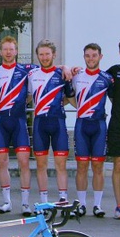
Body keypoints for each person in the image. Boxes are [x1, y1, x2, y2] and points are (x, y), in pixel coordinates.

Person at [68, 43, 113, 218]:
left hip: (99, 126)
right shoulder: (76, 76)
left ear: (100, 57)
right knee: (81, 166)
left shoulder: (107, 78)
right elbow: (68, 96)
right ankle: (82, 204)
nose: (91, 59)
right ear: (84, 57)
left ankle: (97, 205)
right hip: (82, 125)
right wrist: (80, 107)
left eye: (94, 55)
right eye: (87, 55)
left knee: (98, 166)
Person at [28, 40, 73, 205]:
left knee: (61, 164)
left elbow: (69, 97)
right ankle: (44, 200)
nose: (45, 57)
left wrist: (65, 67)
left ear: (54, 55)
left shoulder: (62, 74)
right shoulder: (32, 74)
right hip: (40, 124)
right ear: (37, 56)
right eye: (41, 54)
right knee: (41, 164)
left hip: (58, 123)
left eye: (47, 54)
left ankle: (63, 198)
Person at [0, 36, 34, 215]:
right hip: (1, 120)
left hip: (19, 121)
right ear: (0, 52)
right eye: (5, 49)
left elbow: (31, 94)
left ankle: (25, 204)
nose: (8, 52)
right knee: (2, 162)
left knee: (24, 162)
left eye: (11, 49)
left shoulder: (27, 71)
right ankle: (6, 201)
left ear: (16, 51)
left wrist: (66, 68)